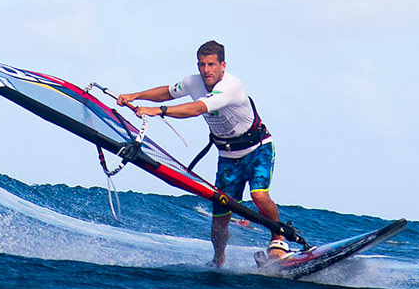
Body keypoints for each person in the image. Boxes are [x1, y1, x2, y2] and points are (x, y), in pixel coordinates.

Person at [117, 40, 291, 268]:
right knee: (220, 219)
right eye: (201, 65)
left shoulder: (231, 86)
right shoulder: (193, 82)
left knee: (258, 195)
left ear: (222, 65)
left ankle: (278, 240)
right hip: (228, 157)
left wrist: (158, 112)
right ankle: (219, 258)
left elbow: (198, 108)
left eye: (211, 64)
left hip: (257, 149)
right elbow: (168, 92)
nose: (206, 70)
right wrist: (135, 95)